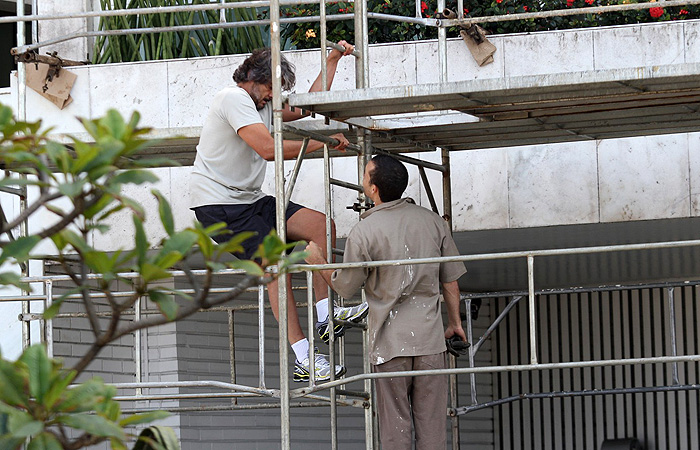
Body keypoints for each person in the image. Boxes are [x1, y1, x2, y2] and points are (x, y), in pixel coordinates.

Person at [189, 43, 368, 383]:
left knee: (321, 225)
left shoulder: (263, 103)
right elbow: (268, 149)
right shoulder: (234, 98)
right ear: (254, 78)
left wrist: (332, 60)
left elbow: (307, 108)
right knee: (277, 267)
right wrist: (324, 142)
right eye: (271, 88)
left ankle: (325, 315)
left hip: (250, 198)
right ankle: (304, 357)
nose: (273, 96)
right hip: (218, 205)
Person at [305, 154, 467, 449]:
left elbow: (345, 287)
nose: (363, 178)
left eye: (365, 174)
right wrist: (455, 323)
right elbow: (451, 280)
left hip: (390, 345)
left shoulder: (365, 231)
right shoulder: (433, 222)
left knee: (395, 430)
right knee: (432, 430)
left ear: (373, 189)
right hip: (431, 342)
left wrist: (318, 262)